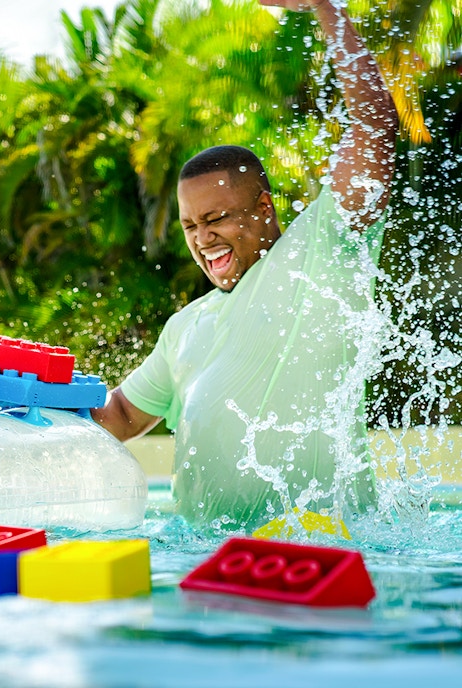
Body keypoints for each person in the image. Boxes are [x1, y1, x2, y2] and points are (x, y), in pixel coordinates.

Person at [92, 0, 399, 528]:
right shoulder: (185, 326)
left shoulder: (321, 250)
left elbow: (376, 132)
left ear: (263, 207)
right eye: (190, 227)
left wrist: (327, 10)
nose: (203, 239)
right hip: (206, 566)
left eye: (216, 218)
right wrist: (30, 406)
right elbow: (120, 416)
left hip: (322, 557)